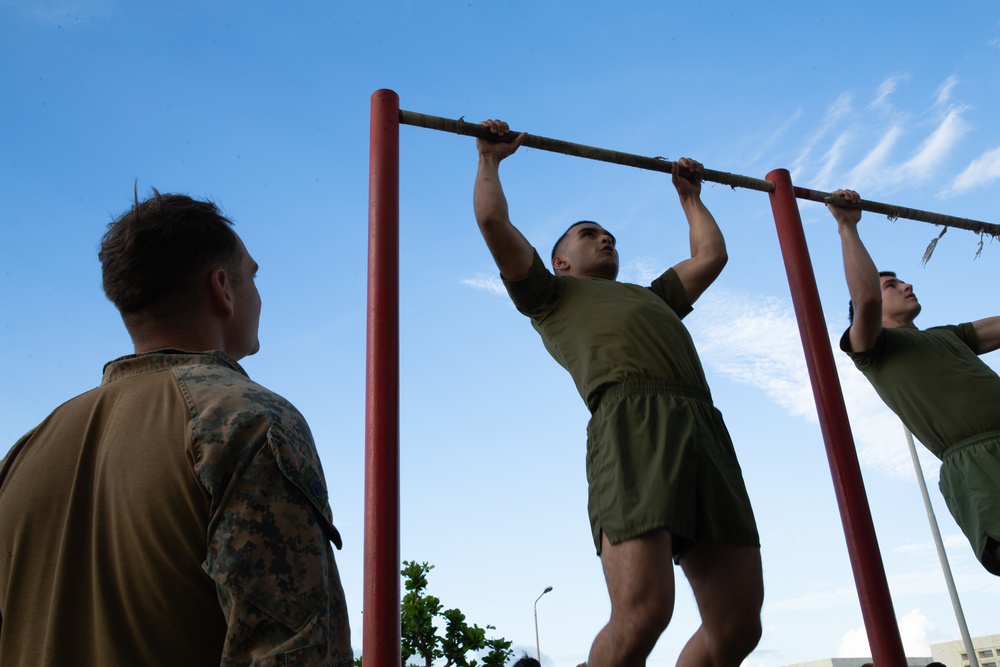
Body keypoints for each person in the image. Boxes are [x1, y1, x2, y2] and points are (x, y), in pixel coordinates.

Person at [0, 191, 353, 666]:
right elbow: (295, 651)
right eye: (251, 276)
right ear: (221, 288)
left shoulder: (26, 450)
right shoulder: (247, 420)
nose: (258, 292)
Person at [474, 120, 763, 666]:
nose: (606, 238)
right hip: (631, 422)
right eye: (589, 234)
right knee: (644, 612)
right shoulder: (549, 294)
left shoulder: (653, 297)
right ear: (560, 260)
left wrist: (689, 196)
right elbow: (492, 219)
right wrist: (489, 159)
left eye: (610, 234)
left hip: (703, 427)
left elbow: (711, 256)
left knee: (739, 623)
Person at [829, 188, 1000, 576]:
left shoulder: (949, 335)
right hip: (979, 462)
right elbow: (867, 300)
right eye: (893, 285)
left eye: (903, 282)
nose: (907, 286)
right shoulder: (873, 347)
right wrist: (846, 226)